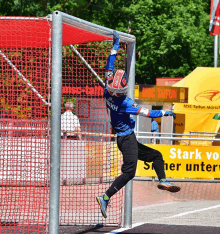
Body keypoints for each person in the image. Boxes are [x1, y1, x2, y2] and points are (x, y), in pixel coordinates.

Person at [96, 31, 180, 219]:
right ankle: (105, 197)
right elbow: (149, 113)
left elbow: (109, 65)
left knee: (156, 155)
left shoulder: (107, 90)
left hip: (126, 138)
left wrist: (115, 45)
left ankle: (163, 180)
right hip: (126, 139)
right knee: (129, 172)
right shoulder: (125, 103)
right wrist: (166, 112)